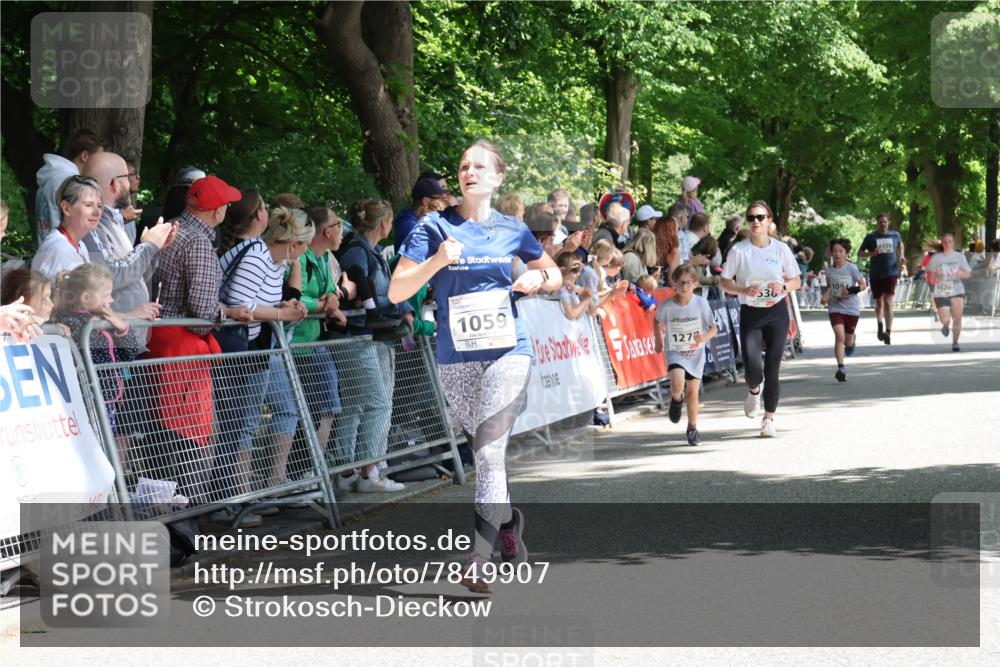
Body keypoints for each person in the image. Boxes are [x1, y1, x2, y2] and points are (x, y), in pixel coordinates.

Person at [389, 139, 561, 592]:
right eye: (464, 165)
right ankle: (508, 524)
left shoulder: (513, 229)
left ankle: (478, 559)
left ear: (498, 177)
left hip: (510, 351)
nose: (469, 171)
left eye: (479, 166)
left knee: (487, 452)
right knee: (488, 458)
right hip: (456, 358)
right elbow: (395, 291)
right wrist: (437, 262)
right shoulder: (431, 227)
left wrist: (538, 278)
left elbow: (555, 273)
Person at [145, 175, 251, 503]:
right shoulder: (199, 243)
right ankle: (187, 517)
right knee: (191, 440)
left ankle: (156, 509)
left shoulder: (169, 230)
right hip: (183, 350)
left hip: (156, 341)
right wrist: (228, 314)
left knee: (157, 437)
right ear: (216, 211)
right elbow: (204, 312)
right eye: (226, 205)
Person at [337, 198, 413, 493]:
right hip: (357, 337)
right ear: (383, 224)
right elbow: (359, 294)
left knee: (357, 405)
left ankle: (348, 472)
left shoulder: (374, 252)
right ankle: (369, 472)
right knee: (377, 403)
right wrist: (395, 304)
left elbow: (384, 291)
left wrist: (399, 304)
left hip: (369, 336)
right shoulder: (358, 252)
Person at [720, 201, 801, 438]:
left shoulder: (781, 250)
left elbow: (797, 280)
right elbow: (725, 281)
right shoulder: (739, 251)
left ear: (769, 221)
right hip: (751, 313)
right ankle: (754, 390)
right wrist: (743, 290)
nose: (756, 221)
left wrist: (784, 285)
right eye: (751, 217)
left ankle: (768, 419)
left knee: (773, 368)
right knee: (754, 368)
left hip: (776, 312)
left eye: (761, 217)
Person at [80, 152, 173, 334]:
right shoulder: (92, 225)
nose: (131, 184)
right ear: (114, 183)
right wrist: (148, 246)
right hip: (109, 340)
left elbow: (135, 278)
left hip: (125, 336)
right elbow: (109, 276)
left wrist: (154, 248)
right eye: (127, 177)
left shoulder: (112, 221)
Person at [52, 264, 135, 429]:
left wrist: (122, 329)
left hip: (106, 398)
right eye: (106, 295)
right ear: (86, 298)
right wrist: (93, 327)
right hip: (87, 398)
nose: (111, 300)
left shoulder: (103, 320)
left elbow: (129, 355)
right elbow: (80, 351)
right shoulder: (70, 322)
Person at [654, 264, 719, 446]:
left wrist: (703, 337)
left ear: (695, 284)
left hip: (695, 353)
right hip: (675, 351)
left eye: (688, 283)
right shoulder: (668, 305)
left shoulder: (700, 303)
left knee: (692, 393)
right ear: (674, 283)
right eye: (680, 283)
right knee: (677, 383)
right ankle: (676, 399)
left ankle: (692, 428)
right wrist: (658, 341)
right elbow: (656, 321)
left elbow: (713, 327)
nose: (684, 286)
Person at [35, 128, 106, 244]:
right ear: (85, 156)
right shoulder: (67, 182)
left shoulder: (51, 179)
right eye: (99, 159)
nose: (101, 165)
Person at [31, 176, 101, 279]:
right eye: (88, 205)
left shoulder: (80, 245)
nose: (97, 212)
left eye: (99, 206)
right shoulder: (59, 250)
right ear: (66, 208)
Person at [821, 238, 866, 382]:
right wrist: (825, 296)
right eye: (835, 251)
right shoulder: (829, 271)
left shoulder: (851, 268)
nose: (838, 254)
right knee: (839, 336)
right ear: (831, 254)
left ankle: (852, 341)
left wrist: (851, 290)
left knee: (847, 342)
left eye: (841, 251)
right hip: (835, 307)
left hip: (851, 309)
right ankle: (841, 368)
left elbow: (863, 285)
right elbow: (830, 287)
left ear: (846, 253)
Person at [858, 213, 904, 345]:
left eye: (885, 222)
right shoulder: (871, 237)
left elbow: (900, 245)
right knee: (879, 303)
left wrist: (901, 256)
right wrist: (872, 253)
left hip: (891, 272)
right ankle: (880, 325)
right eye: (880, 222)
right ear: (877, 223)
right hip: (876, 274)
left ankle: (888, 332)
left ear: (888, 222)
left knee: (888, 302)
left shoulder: (895, 235)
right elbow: (859, 253)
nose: (883, 224)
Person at [926, 233, 973, 352]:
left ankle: (955, 342)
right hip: (942, 289)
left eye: (950, 241)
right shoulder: (936, 258)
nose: (947, 244)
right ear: (942, 243)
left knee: (957, 318)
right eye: (945, 242)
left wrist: (960, 274)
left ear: (954, 243)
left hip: (957, 288)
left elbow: (968, 274)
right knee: (946, 319)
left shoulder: (960, 256)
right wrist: (938, 276)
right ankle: (945, 325)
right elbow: (930, 277)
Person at [392, 177, 450, 253]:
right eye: (439, 199)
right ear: (426, 201)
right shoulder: (411, 228)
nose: (441, 204)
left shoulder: (409, 221)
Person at [556, 251, 597, 320]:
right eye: (575, 270)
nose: (578, 274)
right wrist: (585, 300)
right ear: (563, 270)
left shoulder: (570, 289)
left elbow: (578, 316)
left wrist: (587, 298)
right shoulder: (561, 289)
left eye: (580, 271)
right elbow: (571, 315)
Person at [653, 216, 681, 286]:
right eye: (676, 229)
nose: (678, 232)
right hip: (665, 292)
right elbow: (673, 282)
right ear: (672, 232)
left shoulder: (651, 247)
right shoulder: (674, 252)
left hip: (650, 290)